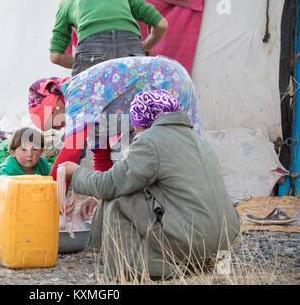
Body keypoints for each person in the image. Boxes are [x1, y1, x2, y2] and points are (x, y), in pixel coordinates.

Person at [59, 89, 241, 280]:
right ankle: (201, 262)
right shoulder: (197, 140)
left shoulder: (150, 140)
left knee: (119, 198)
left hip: (194, 241)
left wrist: (76, 172)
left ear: (142, 122)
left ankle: (135, 267)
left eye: (135, 125)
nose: (135, 132)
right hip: (224, 241)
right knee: (125, 190)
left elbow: (111, 184)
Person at [28, 55, 202, 219]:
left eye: (52, 123)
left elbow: (71, 150)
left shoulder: (76, 93)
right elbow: (101, 159)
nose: (58, 127)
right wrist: (97, 198)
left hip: (166, 79)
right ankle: (179, 212)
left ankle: (188, 214)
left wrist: (46, 199)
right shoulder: (89, 115)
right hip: (170, 78)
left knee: (171, 154)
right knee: (158, 157)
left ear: (55, 106)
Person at [50, 0, 168, 76]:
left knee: (88, 105)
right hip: (132, 53)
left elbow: (56, 56)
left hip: (91, 51)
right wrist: (147, 46)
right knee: (134, 102)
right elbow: (161, 25)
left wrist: (84, 62)